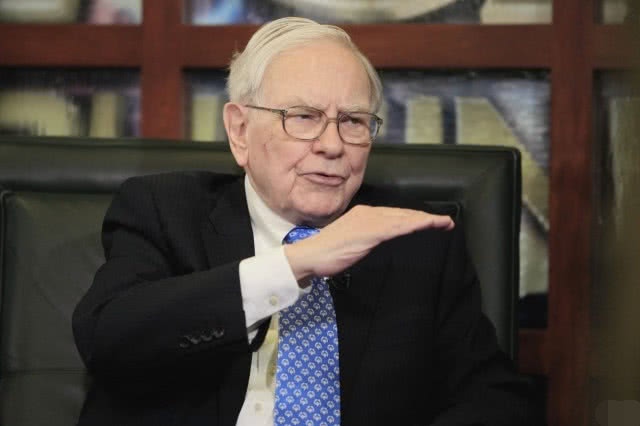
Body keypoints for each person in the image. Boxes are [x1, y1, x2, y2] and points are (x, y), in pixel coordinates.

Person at [73, 17, 538, 426]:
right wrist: (294, 264)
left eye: (353, 121)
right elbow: (108, 338)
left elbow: (495, 400)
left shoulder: (417, 242)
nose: (332, 145)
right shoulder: (165, 210)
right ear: (240, 131)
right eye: (303, 117)